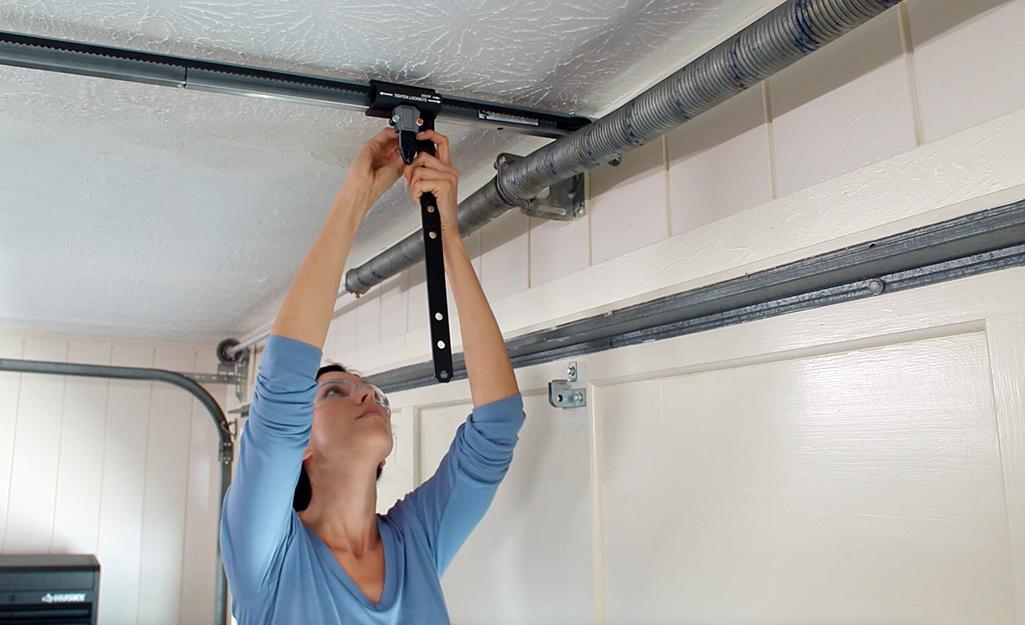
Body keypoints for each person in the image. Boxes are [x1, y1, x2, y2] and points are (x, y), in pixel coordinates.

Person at [219, 128, 525, 624]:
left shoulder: (416, 541)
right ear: (300, 444)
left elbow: (496, 424)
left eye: (370, 391)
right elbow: (282, 392)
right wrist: (355, 195)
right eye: (334, 391)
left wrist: (447, 231)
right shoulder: (268, 559)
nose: (367, 395)